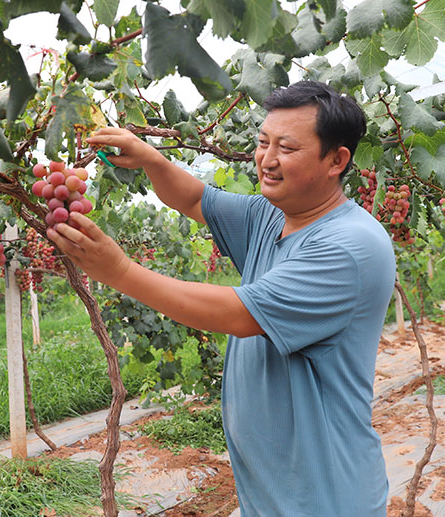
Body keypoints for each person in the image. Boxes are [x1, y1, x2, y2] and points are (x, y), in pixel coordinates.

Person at [47, 80, 396, 516]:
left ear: (336, 160)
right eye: (262, 142)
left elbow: (239, 314)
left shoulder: (349, 245)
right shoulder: (272, 216)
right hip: (273, 496)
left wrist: (118, 271)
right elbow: (194, 198)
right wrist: (151, 159)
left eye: (286, 148)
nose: (267, 159)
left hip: (326, 499)